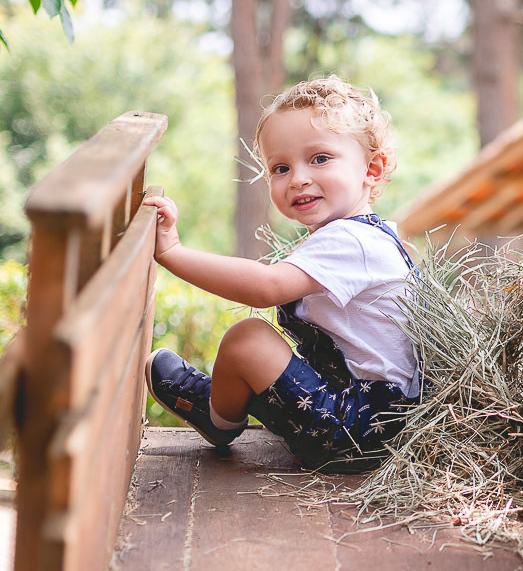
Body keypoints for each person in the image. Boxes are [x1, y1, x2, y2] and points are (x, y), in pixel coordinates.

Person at [142, 76, 421, 473]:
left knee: (248, 340)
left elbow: (266, 287)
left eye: (320, 158)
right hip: (376, 426)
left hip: (359, 432)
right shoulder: (371, 234)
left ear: (371, 170)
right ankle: (237, 402)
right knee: (261, 346)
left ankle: (217, 417)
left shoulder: (352, 241)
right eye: (280, 167)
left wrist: (172, 252)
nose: (298, 178)